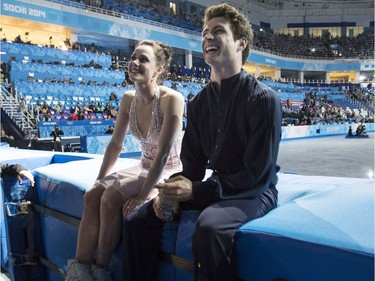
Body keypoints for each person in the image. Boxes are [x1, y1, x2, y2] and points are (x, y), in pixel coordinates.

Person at [122, 3, 282, 281]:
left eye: (218, 31)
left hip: (255, 192)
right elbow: (192, 166)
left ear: (241, 43)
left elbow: (255, 176)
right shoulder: (198, 103)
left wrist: (195, 191)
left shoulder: (264, 100)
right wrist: (170, 192)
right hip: (218, 186)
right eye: (205, 32)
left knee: (209, 228)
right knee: (137, 220)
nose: (208, 37)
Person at [65, 40, 185, 281]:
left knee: (110, 198)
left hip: (167, 170)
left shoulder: (172, 99)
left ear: (159, 70)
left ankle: (100, 270)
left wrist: (143, 195)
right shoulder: (128, 99)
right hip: (144, 165)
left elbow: (162, 155)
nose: (134, 63)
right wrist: (100, 180)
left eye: (143, 59)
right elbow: (115, 145)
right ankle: (79, 271)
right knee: (92, 196)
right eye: (133, 57)